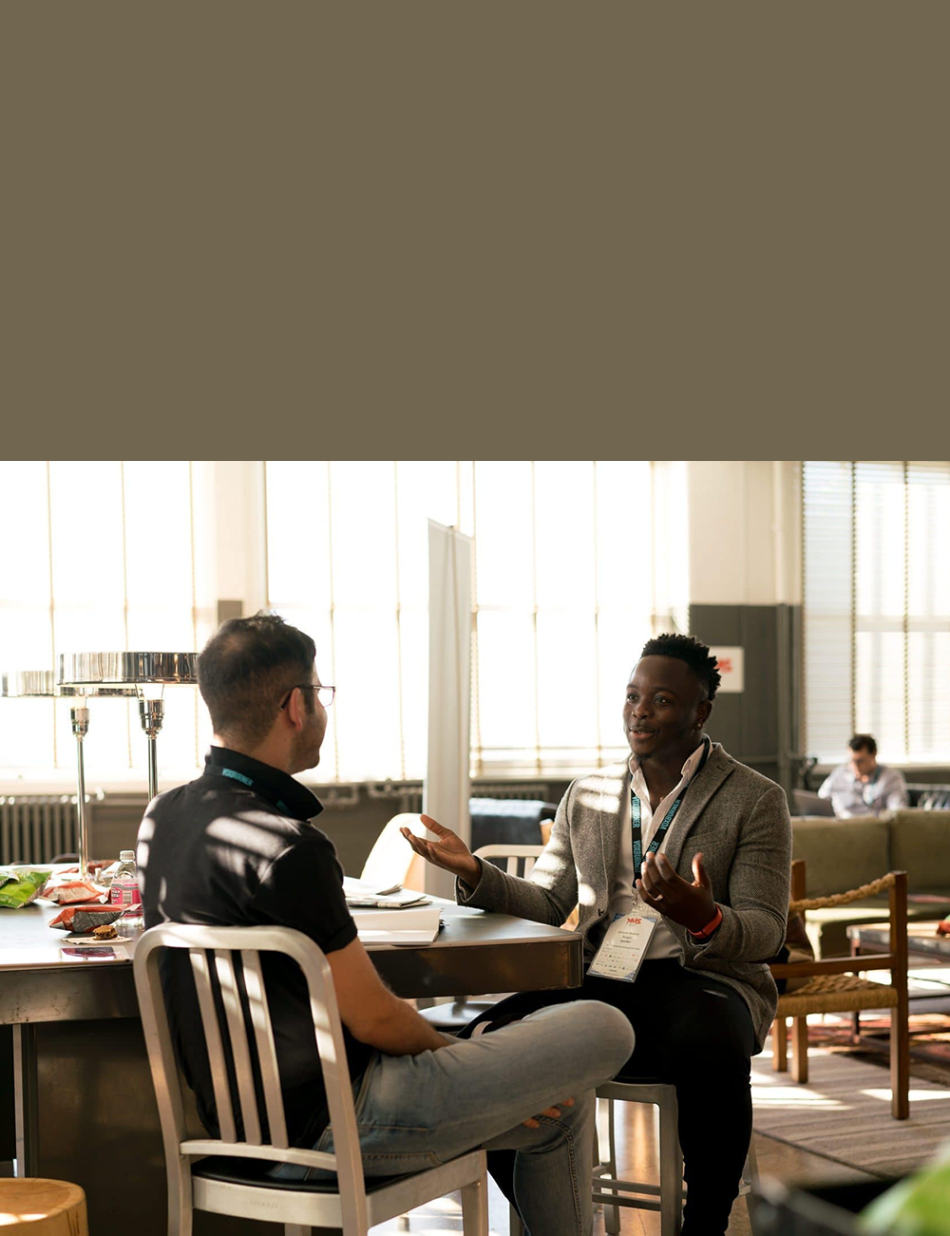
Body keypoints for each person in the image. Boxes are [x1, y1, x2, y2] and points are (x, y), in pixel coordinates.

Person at [136, 612, 633, 1236]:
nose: (321, 708)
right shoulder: (292, 846)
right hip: (344, 1125)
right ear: (296, 705)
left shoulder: (164, 818)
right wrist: (460, 1055)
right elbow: (372, 1016)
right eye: (320, 693)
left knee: (559, 1108)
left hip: (232, 1133)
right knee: (604, 1023)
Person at [403, 632, 791, 1235]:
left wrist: (702, 917)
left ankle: (706, 1221)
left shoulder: (754, 798)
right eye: (633, 696)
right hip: (603, 976)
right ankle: (547, 1217)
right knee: (494, 1036)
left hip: (705, 981)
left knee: (710, 1037)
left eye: (661, 700)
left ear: (701, 712)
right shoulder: (586, 795)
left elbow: (767, 930)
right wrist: (476, 872)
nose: (640, 711)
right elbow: (551, 901)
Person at [818, 734, 909, 818]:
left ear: (874, 754)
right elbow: (821, 800)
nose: (855, 766)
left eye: (860, 761)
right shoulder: (840, 773)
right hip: (840, 826)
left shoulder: (890, 778)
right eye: (852, 761)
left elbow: (898, 812)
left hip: (872, 827)